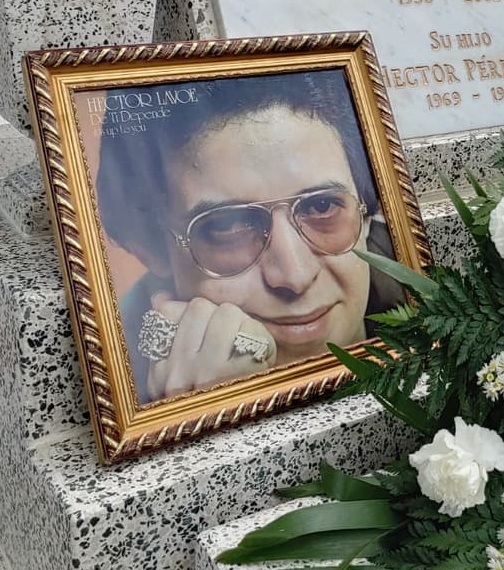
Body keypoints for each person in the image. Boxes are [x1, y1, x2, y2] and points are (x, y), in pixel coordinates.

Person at [94, 69, 404, 406]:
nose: (294, 277)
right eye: (228, 226)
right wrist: (194, 418)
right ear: (151, 247)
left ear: (365, 209)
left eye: (322, 205)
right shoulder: (111, 396)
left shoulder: (432, 291)